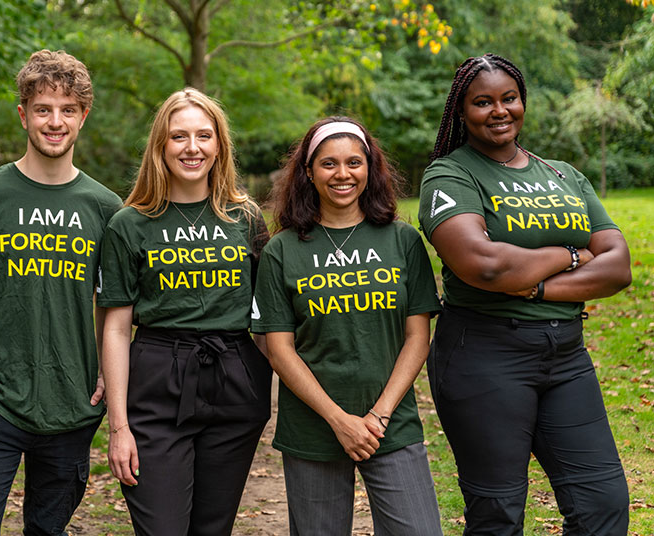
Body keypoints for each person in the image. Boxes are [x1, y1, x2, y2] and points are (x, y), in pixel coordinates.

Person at [418, 53, 632, 534]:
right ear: (461, 112)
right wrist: (573, 254)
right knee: (498, 513)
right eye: (483, 102)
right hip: (485, 355)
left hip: (567, 356)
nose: (499, 110)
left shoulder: (562, 173)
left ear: (522, 102)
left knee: (603, 502)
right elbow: (485, 265)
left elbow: (617, 267)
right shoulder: (451, 176)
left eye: (509, 98)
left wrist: (532, 287)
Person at [0, 49, 122, 535]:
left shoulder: (107, 208)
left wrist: (107, 371)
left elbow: (113, 307)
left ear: (83, 115)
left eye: (67, 110)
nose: (55, 121)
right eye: (43, 109)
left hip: (71, 401)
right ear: (23, 114)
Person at [252, 116, 443, 535]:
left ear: (370, 169)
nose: (343, 174)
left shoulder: (402, 240)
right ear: (308, 171)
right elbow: (278, 349)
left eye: (354, 163)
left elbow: (417, 337)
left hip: (390, 425)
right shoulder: (282, 249)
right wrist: (339, 419)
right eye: (329, 164)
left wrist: (378, 415)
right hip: (313, 429)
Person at [98, 87, 273, 535]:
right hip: (158, 377)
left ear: (220, 145)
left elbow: (269, 317)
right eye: (179, 137)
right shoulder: (129, 223)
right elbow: (116, 328)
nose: (192, 148)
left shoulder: (246, 218)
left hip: (235, 377)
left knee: (212, 529)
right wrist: (119, 427)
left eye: (203, 136)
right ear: (161, 145)